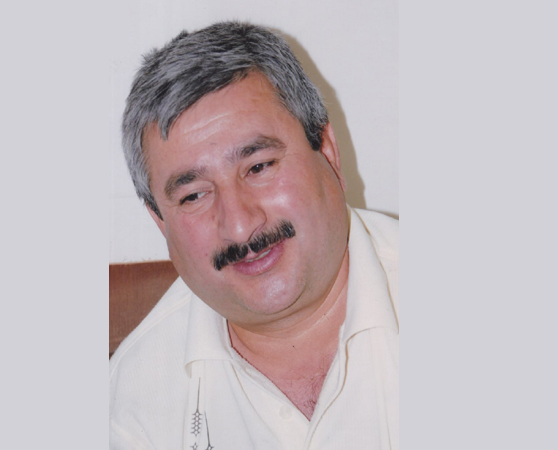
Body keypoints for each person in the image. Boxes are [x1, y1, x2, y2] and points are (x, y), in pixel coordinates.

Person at [110, 21, 398, 450]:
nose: (240, 225)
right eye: (193, 195)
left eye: (259, 167)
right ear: (160, 222)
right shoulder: (133, 402)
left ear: (327, 150)